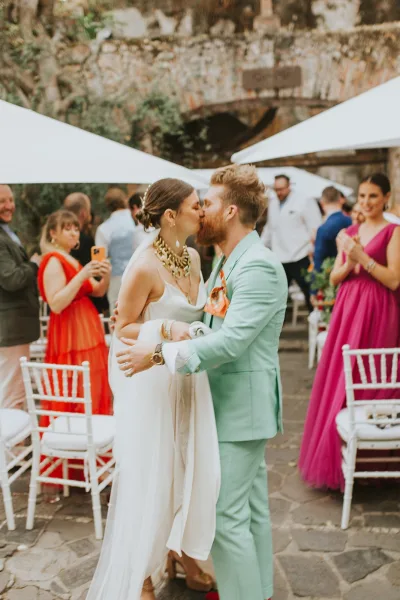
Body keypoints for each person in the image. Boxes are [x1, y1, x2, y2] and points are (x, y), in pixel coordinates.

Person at [116, 165, 288, 600]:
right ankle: (260, 592)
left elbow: (228, 342)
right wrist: (165, 332)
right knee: (250, 512)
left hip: (239, 408)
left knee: (229, 519)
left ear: (230, 211)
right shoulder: (229, 261)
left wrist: (157, 352)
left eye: (207, 203)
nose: (202, 212)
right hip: (222, 403)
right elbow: (203, 323)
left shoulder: (258, 268)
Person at [87, 178, 220, 600]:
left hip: (187, 376)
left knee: (186, 464)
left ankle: (179, 553)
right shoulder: (143, 266)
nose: (202, 212)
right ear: (170, 216)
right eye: (195, 206)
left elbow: (201, 311)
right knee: (150, 471)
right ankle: (141, 570)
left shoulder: (195, 259)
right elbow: (123, 329)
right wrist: (166, 327)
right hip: (149, 381)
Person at [299, 173, 400, 491]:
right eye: (362, 195)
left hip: (380, 308)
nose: (367, 202)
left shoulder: (394, 232)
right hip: (348, 308)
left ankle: (377, 457)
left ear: (386, 198)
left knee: (372, 375)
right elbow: (335, 278)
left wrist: (363, 259)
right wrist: (349, 261)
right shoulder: (350, 231)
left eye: (373, 196)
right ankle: (341, 454)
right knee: (343, 376)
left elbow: (394, 279)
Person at [38, 210, 112, 418]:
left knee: (91, 384)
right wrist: (82, 274)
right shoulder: (53, 260)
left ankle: (93, 434)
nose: (73, 233)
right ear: (53, 233)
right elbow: (56, 304)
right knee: (75, 386)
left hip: (86, 331)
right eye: (67, 229)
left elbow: (97, 290)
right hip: (69, 332)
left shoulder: (70, 259)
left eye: (75, 228)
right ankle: (75, 439)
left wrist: (105, 275)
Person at [0, 185, 40, 409]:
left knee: (15, 388)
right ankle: (9, 444)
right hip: (10, 328)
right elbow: (11, 279)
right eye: (2, 202)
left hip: (16, 327)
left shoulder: (7, 231)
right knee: (12, 392)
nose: (9, 206)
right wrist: (33, 264)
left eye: (10, 200)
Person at [261, 174, 322, 311]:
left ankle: (316, 325)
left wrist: (313, 250)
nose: (279, 193)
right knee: (277, 298)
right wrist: (260, 246)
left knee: (310, 294)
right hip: (280, 258)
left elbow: (315, 226)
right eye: (276, 189)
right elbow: (270, 228)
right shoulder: (273, 202)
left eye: (281, 189)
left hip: (301, 255)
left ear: (289, 186)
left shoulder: (304, 200)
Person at [64, 192, 109, 314]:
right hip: (86, 306)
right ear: (84, 213)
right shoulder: (85, 241)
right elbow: (95, 273)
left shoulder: (60, 241)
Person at [95, 187, 136, 309]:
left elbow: (99, 260)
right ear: (125, 200)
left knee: (118, 315)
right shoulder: (137, 221)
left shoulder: (104, 229)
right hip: (141, 272)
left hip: (117, 278)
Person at [313, 186, 352, 273]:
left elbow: (318, 260)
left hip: (331, 274)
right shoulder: (351, 221)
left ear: (322, 203)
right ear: (340, 200)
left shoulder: (323, 229)